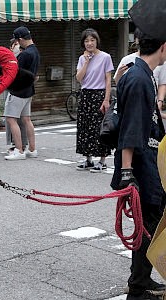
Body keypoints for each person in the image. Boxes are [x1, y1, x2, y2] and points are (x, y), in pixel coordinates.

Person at [111, 29, 166, 300]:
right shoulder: (139, 78)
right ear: (163, 47)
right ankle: (138, 286)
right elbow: (129, 130)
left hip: (148, 161)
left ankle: (141, 280)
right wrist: (127, 172)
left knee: (151, 223)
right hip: (141, 166)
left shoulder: (141, 73)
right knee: (150, 224)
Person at [75, 28, 113, 172]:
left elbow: (108, 79)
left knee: (100, 128)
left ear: (97, 41)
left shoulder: (105, 57)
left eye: (92, 40)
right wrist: (86, 62)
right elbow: (79, 78)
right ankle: (88, 159)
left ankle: (102, 161)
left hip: (99, 95)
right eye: (86, 41)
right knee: (85, 127)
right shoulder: (81, 58)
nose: (89, 43)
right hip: (85, 95)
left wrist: (106, 99)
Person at [4, 26, 39, 161]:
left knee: (11, 119)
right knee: (26, 119)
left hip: (18, 91)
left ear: (19, 40)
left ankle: (19, 150)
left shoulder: (24, 54)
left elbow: (14, 72)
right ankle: (32, 149)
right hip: (29, 90)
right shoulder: (35, 51)